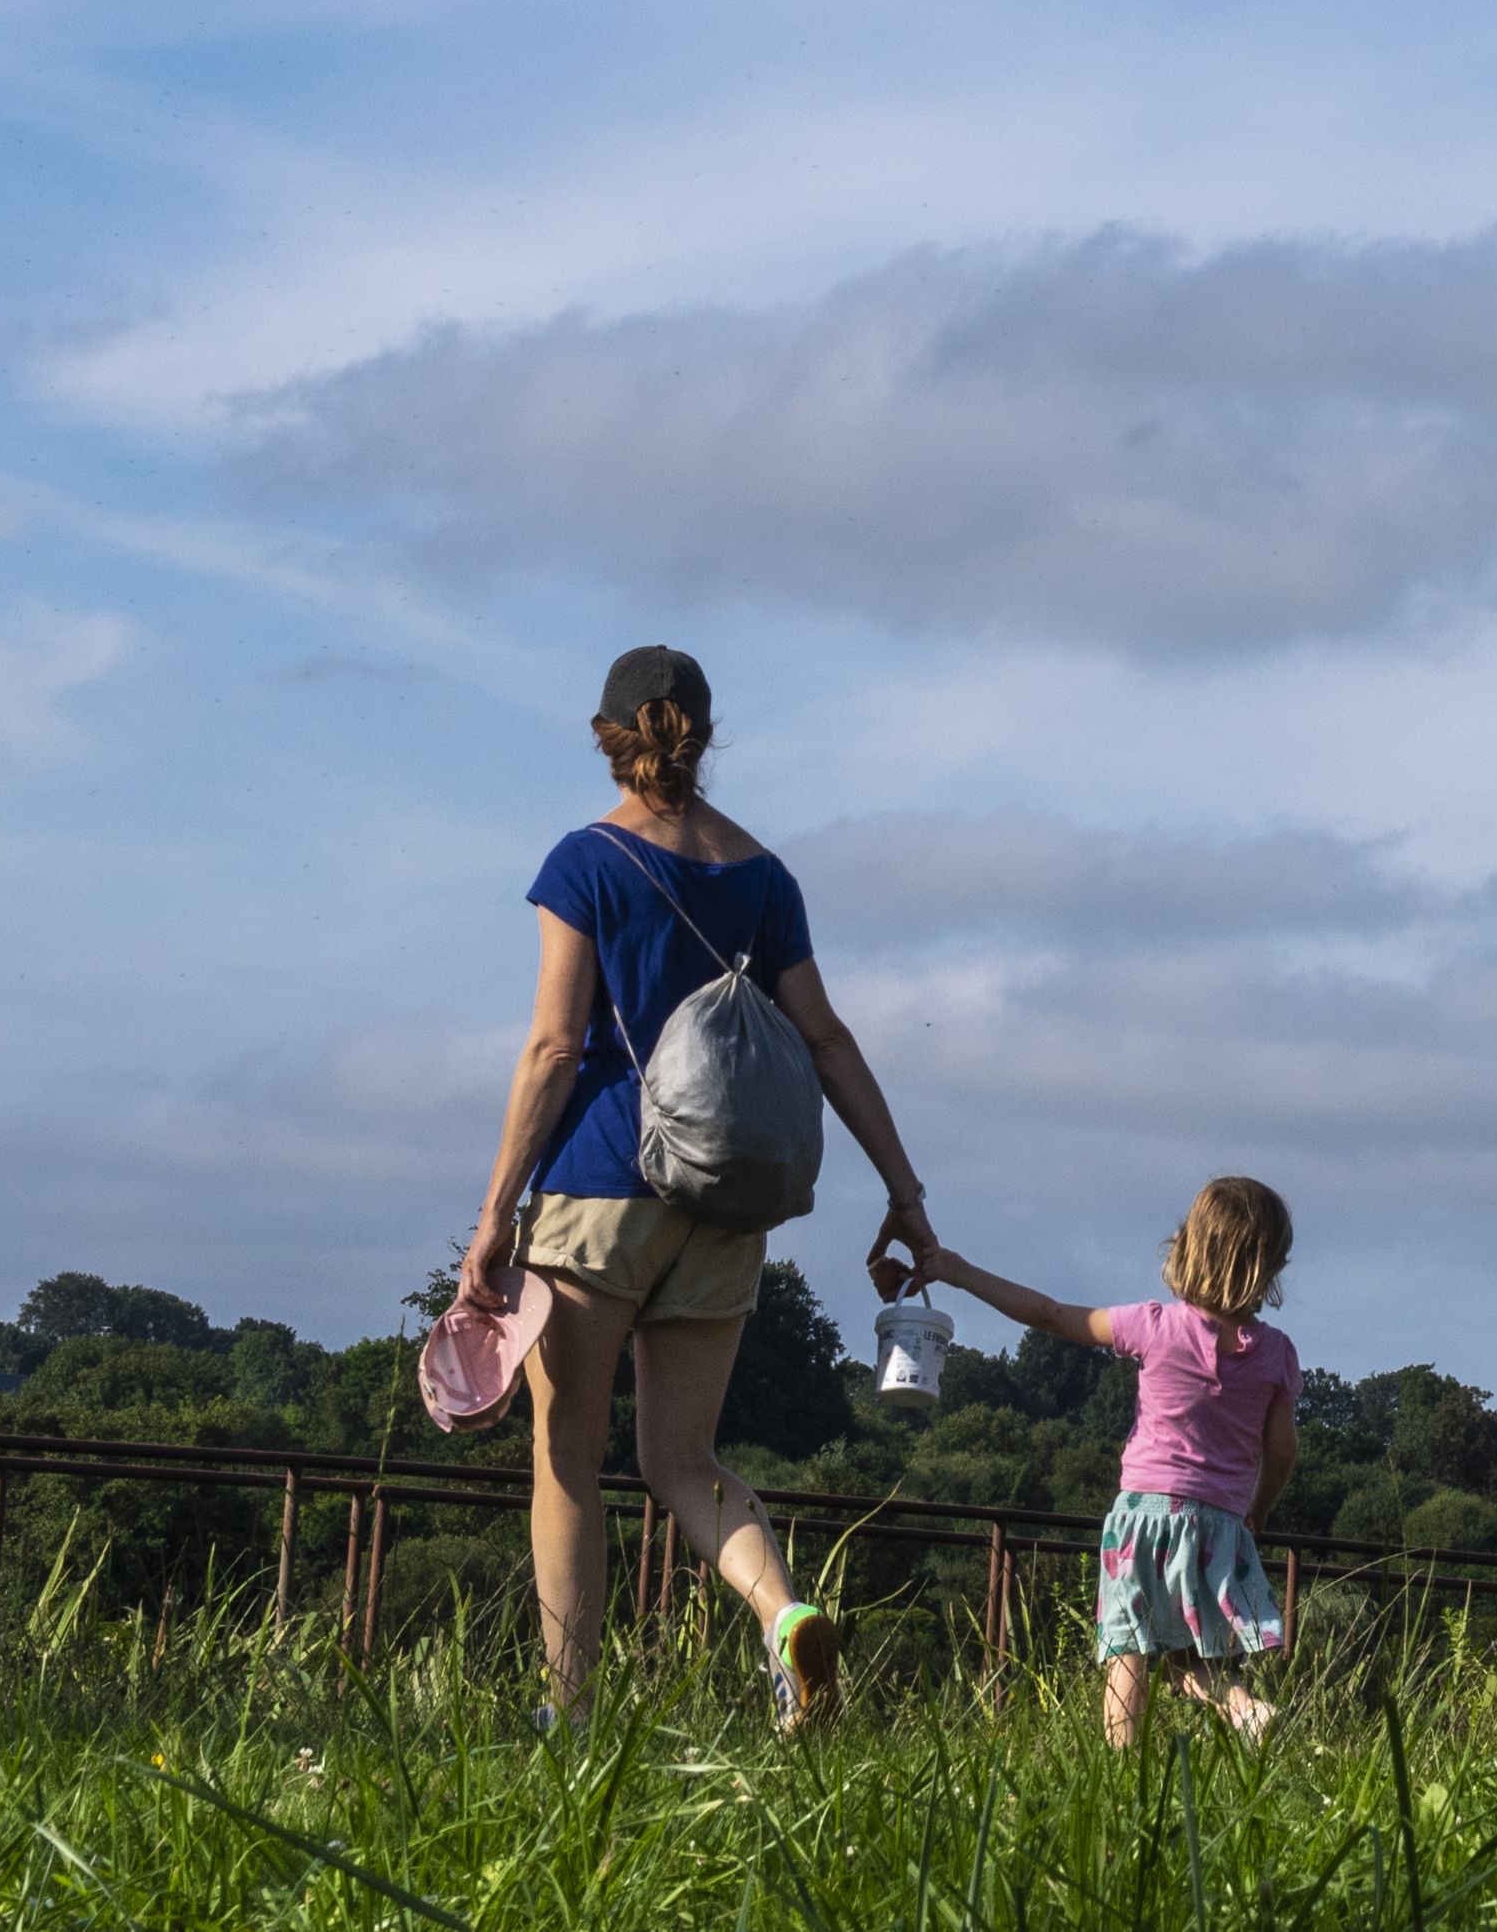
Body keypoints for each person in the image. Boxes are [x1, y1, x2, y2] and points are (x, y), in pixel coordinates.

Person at [456, 644, 937, 1724]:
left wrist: (494, 1216)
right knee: (684, 1457)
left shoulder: (586, 863)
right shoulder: (765, 878)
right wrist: (903, 1187)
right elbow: (825, 1036)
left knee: (567, 1455)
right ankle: (780, 1613)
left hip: (600, 1187)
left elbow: (552, 1050)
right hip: (727, 1198)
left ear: (609, 735)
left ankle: (568, 1710)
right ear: (704, 736)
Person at [924, 1180, 1305, 1747]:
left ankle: (1118, 1769)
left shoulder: (1152, 1325)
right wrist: (1259, 1509)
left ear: (1190, 1244)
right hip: (1221, 1525)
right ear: (1269, 1265)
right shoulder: (1277, 1354)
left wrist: (955, 1269)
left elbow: (1048, 1314)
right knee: (1192, 1658)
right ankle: (1246, 1711)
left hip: (1143, 1518)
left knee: (1128, 1650)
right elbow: (1282, 1452)